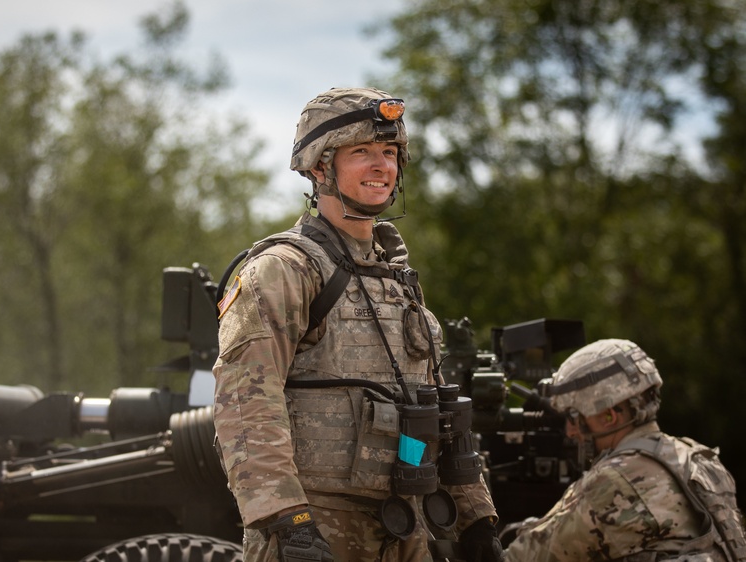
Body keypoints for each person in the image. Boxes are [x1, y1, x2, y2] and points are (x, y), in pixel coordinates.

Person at [212, 87, 503, 562]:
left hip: (405, 528)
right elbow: (246, 403)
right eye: (362, 152)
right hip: (315, 531)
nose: (381, 166)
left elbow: (438, 407)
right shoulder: (284, 269)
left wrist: (476, 518)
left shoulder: (396, 278)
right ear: (319, 167)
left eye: (389, 152)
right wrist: (288, 521)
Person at [504, 338, 746, 561]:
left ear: (609, 416)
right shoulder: (699, 458)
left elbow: (524, 557)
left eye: (573, 416)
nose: (569, 431)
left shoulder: (615, 479)